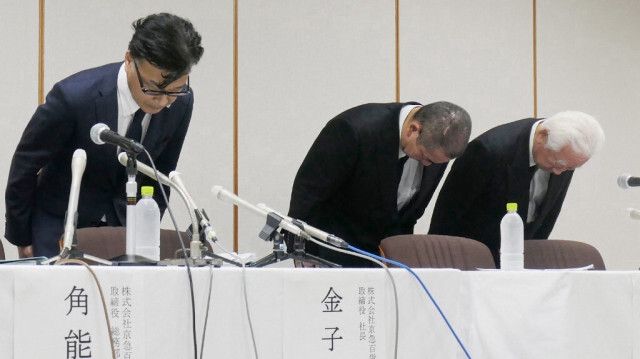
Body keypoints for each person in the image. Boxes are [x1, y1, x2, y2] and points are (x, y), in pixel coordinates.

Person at [4, 13, 204, 258]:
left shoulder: (182, 103)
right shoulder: (74, 97)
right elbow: (25, 165)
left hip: (124, 235)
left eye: (174, 91)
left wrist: (146, 233)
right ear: (130, 59)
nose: (162, 100)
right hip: (58, 231)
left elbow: (160, 172)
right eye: (152, 88)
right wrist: (22, 238)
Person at [288, 101, 472, 267]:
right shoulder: (354, 129)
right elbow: (308, 194)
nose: (427, 164)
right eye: (425, 157)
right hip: (335, 253)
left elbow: (409, 214)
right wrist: (304, 253)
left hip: (389, 261)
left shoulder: (438, 148)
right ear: (412, 130)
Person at [428, 111, 605, 266]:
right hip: (473, 262)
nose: (559, 172)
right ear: (542, 136)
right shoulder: (488, 151)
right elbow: (446, 217)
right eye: (557, 163)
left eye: (569, 168)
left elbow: (546, 217)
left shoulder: (564, 155)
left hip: (521, 265)